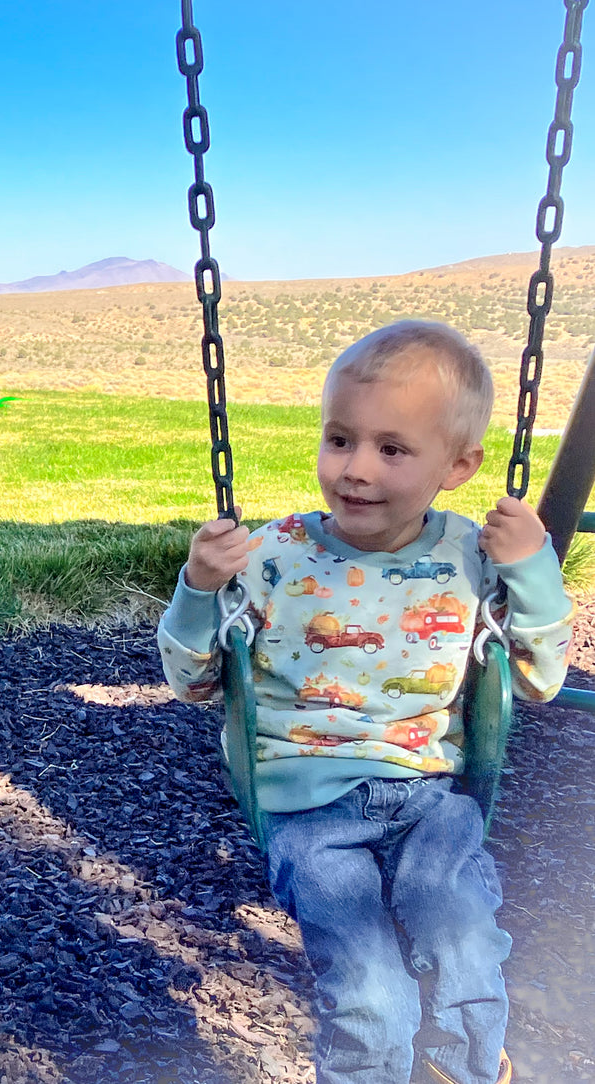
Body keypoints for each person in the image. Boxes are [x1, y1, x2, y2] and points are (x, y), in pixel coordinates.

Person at [157, 320, 573, 1084]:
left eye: (391, 449)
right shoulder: (274, 556)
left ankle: (468, 1070)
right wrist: (199, 588)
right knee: (369, 991)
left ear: (457, 465)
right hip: (307, 805)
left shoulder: (472, 558)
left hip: (430, 793)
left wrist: (533, 567)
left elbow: (539, 679)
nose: (354, 469)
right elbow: (193, 682)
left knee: (461, 938)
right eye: (338, 438)